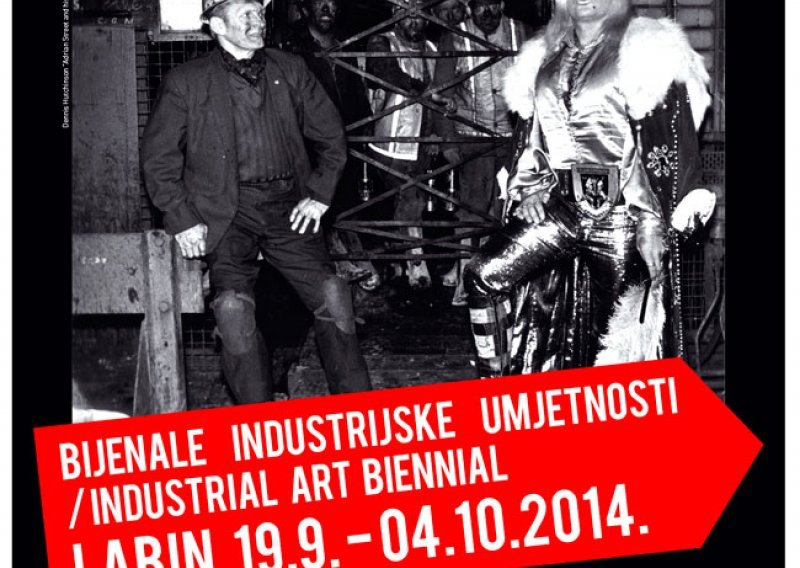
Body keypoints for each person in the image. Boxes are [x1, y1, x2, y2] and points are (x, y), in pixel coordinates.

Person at [463, 0, 716, 377]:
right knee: (482, 273)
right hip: (561, 208)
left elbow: (662, 146)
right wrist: (531, 186)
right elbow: (534, 134)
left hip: (622, 216)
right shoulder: (545, 54)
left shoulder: (645, 49)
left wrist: (652, 223)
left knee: (615, 339)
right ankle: (496, 385)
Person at [142, 0, 372, 403]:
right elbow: (158, 159)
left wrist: (319, 195)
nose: (257, 20)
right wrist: (182, 218)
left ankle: (359, 412)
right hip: (226, 213)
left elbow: (332, 136)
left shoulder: (291, 68)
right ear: (216, 25)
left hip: (288, 206)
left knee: (334, 295)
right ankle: (256, 417)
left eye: (259, 11)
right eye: (245, 13)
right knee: (233, 310)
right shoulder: (186, 81)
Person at [433, 0, 533, 305]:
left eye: (493, 4)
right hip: (471, 136)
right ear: (470, 6)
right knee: (472, 208)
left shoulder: (521, 33)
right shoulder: (455, 37)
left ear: (502, 3)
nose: (487, 13)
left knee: (505, 208)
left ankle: (495, 277)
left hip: (511, 137)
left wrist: (531, 141)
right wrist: (448, 142)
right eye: (480, 6)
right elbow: (440, 93)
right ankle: (466, 278)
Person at [284, 0, 381, 291]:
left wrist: (365, 123)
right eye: (320, 1)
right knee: (317, 202)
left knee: (347, 199)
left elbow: (356, 85)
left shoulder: (346, 40)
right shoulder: (291, 44)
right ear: (305, 7)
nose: (327, 7)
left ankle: (349, 264)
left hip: (346, 133)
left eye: (333, 1)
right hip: (309, 137)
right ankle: (331, 271)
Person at [366, 0, 452, 288]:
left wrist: (435, 134)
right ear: (395, 15)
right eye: (406, 14)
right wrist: (424, 90)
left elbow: (441, 95)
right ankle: (410, 262)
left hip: (420, 142)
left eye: (420, 15)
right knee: (400, 199)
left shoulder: (432, 49)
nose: (413, 21)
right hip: (388, 140)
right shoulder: (382, 42)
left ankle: (410, 264)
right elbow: (387, 73)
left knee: (412, 200)